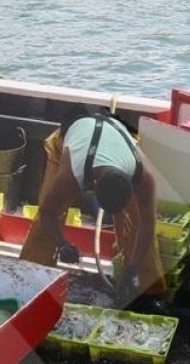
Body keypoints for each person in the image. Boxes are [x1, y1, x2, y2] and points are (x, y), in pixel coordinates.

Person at [19, 110, 166, 306]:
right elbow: (47, 213)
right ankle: (32, 281)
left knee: (136, 220)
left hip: (117, 135)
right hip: (72, 138)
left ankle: (146, 291)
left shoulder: (143, 176)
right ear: (93, 185)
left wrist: (133, 267)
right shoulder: (70, 175)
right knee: (51, 213)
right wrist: (62, 243)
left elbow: (148, 223)